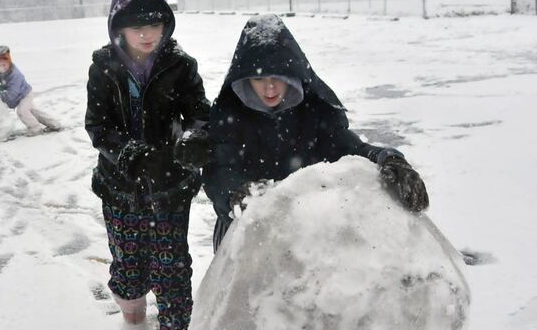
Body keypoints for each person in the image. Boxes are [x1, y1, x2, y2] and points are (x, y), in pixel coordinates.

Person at [174, 14, 429, 251]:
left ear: (292, 74)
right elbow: (219, 170)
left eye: (278, 77)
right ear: (245, 80)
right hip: (247, 230)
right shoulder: (231, 116)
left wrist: (388, 158)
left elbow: (353, 150)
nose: (270, 87)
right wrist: (237, 193)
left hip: (309, 229)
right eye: (259, 79)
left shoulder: (314, 111)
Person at [85, 0, 210, 330]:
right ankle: (133, 315)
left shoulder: (181, 66)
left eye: (154, 25)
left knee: (172, 264)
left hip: (169, 185)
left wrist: (193, 139)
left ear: (165, 26)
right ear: (118, 28)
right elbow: (97, 125)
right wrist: (123, 151)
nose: (145, 33)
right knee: (129, 257)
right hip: (120, 185)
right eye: (137, 26)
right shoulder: (104, 67)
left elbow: (199, 115)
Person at [0, 46, 60, 136]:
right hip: (17, 97)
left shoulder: (15, 75)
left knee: (22, 111)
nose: (1, 67)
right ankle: (54, 124)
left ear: (9, 62)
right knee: (33, 111)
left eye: (4, 65)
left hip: (25, 95)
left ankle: (35, 129)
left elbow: (11, 95)